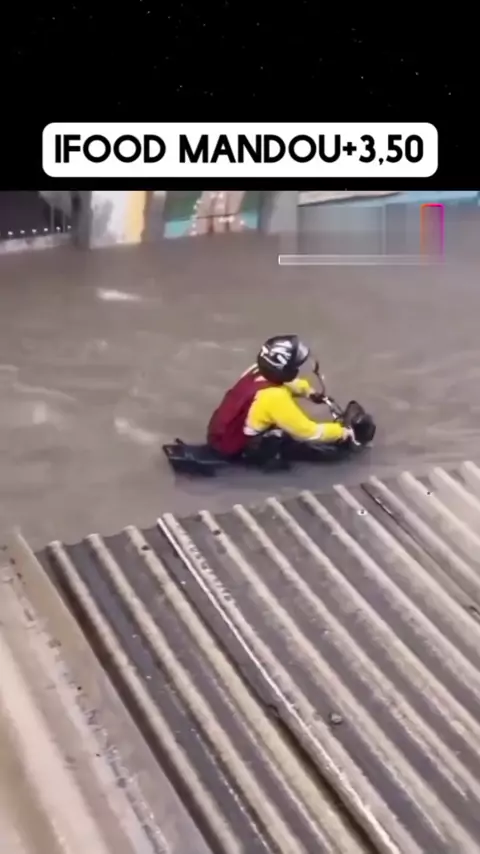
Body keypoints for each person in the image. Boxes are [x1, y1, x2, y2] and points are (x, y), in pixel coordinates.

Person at [207, 334, 353, 461]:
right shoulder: (274, 397)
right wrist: (343, 432)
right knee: (289, 443)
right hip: (240, 450)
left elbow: (286, 383)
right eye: (294, 367)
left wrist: (308, 392)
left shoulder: (256, 371)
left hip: (220, 436)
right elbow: (309, 432)